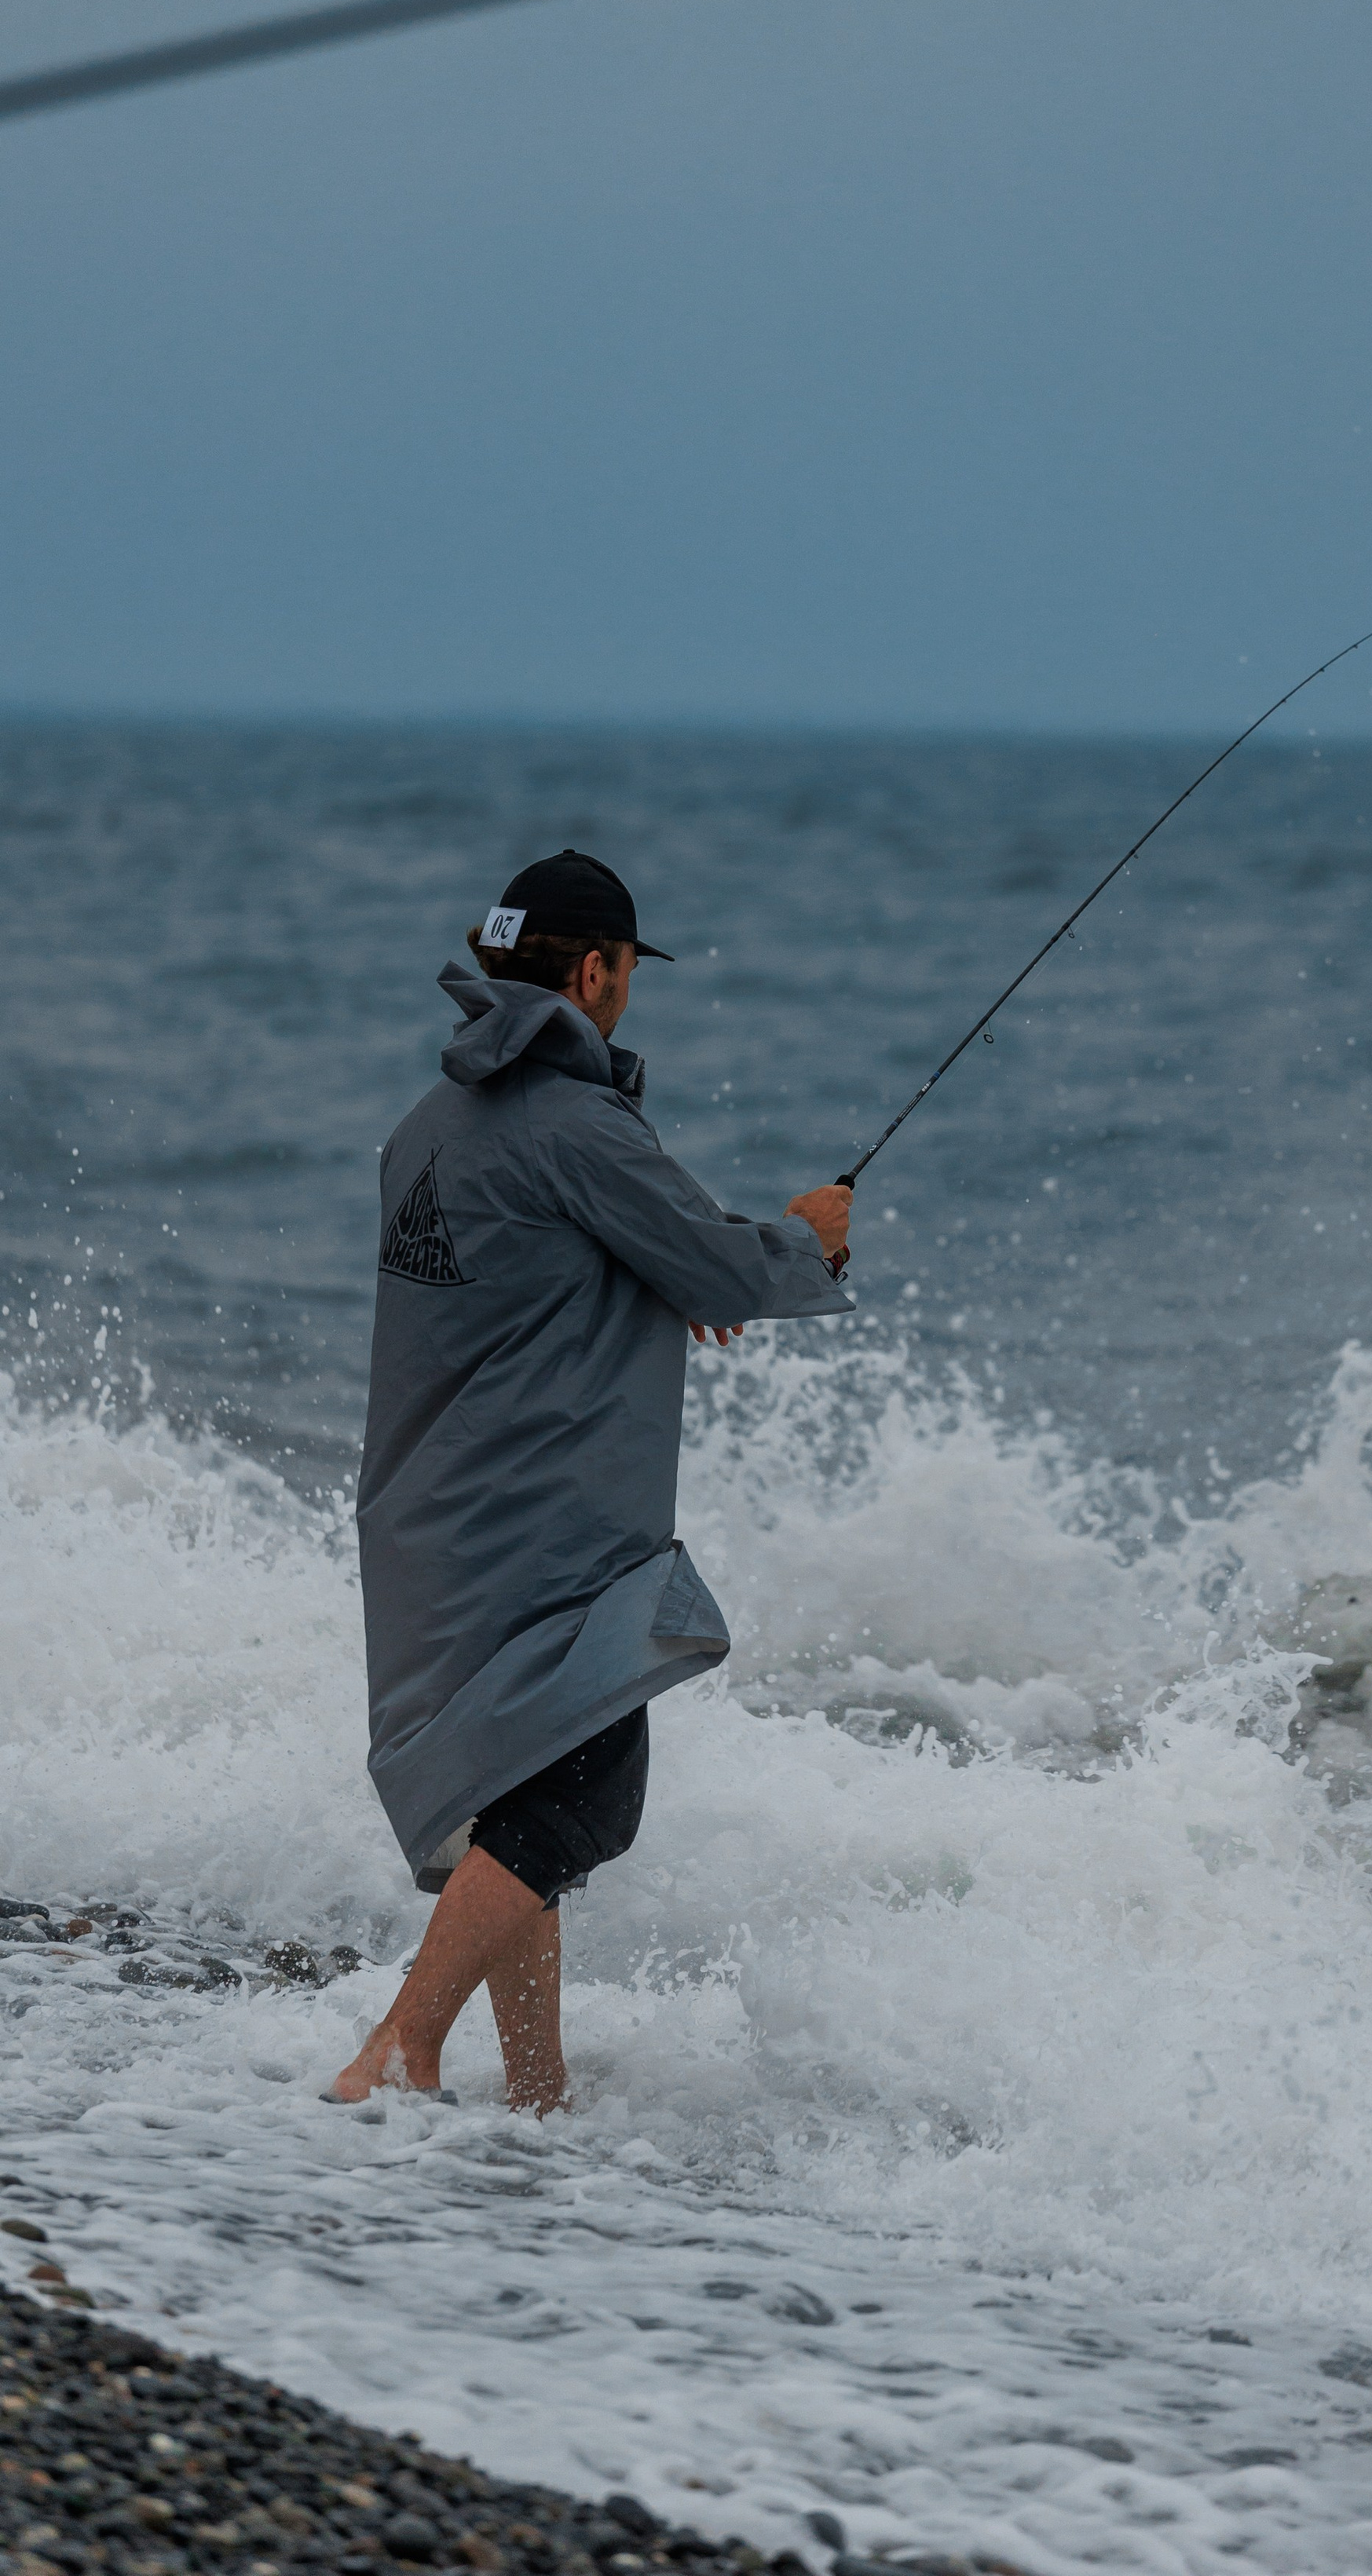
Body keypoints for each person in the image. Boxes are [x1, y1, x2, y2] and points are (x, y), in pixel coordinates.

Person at [324, 849, 854, 2114]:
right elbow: (731, 1270)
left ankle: (537, 2095)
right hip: (536, 1531)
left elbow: (538, 1276)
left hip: (433, 1519)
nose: (628, 996)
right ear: (597, 970)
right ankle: (400, 2043)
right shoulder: (576, 1125)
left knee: (522, 1798)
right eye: (626, 974)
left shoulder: (430, 1129)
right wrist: (808, 1236)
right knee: (581, 1790)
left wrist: (661, 1276)